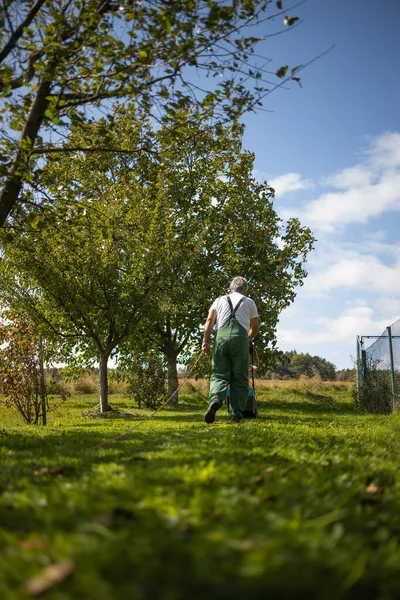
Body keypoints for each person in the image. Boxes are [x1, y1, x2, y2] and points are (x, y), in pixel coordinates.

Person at [202, 276, 259, 423]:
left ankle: (215, 399)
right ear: (245, 290)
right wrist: (248, 337)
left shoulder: (219, 300)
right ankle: (235, 415)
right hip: (240, 339)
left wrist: (205, 342)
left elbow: (209, 320)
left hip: (221, 338)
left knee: (219, 374)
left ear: (231, 289)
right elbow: (255, 326)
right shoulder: (249, 302)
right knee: (239, 377)